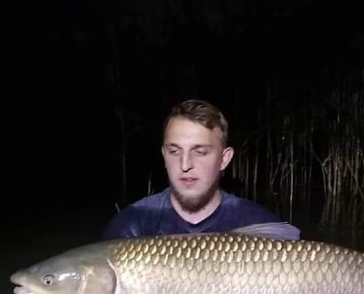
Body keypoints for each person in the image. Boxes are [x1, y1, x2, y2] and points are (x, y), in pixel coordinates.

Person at [103, 99, 298, 239]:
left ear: (224, 159)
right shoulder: (131, 227)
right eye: (174, 151)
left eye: (200, 152)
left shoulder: (258, 222)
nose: (185, 164)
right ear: (164, 155)